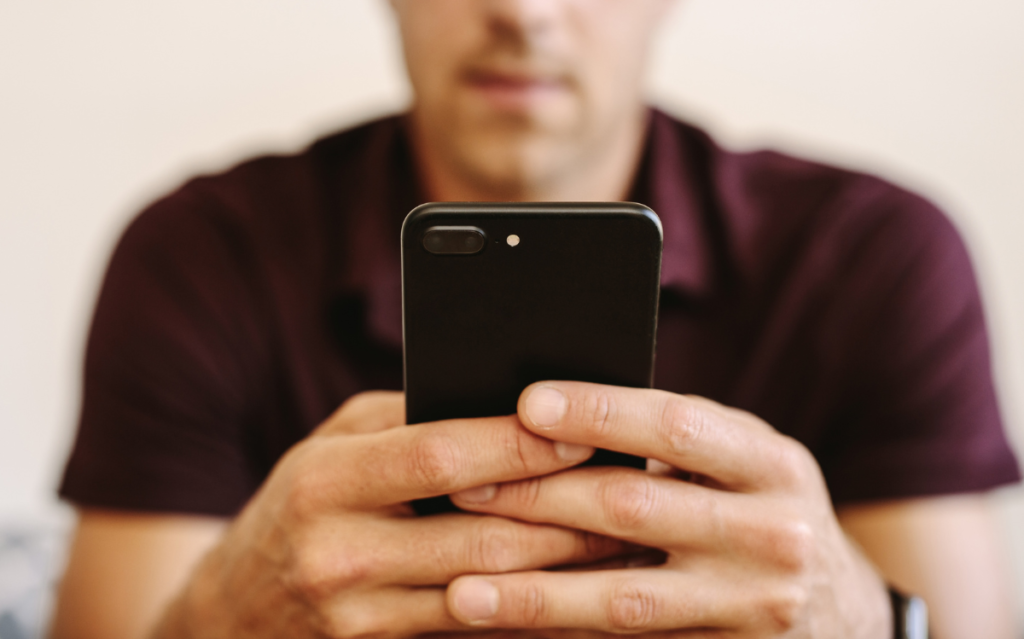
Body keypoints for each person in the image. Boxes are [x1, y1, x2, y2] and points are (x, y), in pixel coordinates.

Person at [50, 1, 1020, 638]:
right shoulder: (202, 252)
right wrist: (224, 612)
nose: (521, 12)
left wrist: (857, 615)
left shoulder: (875, 254)